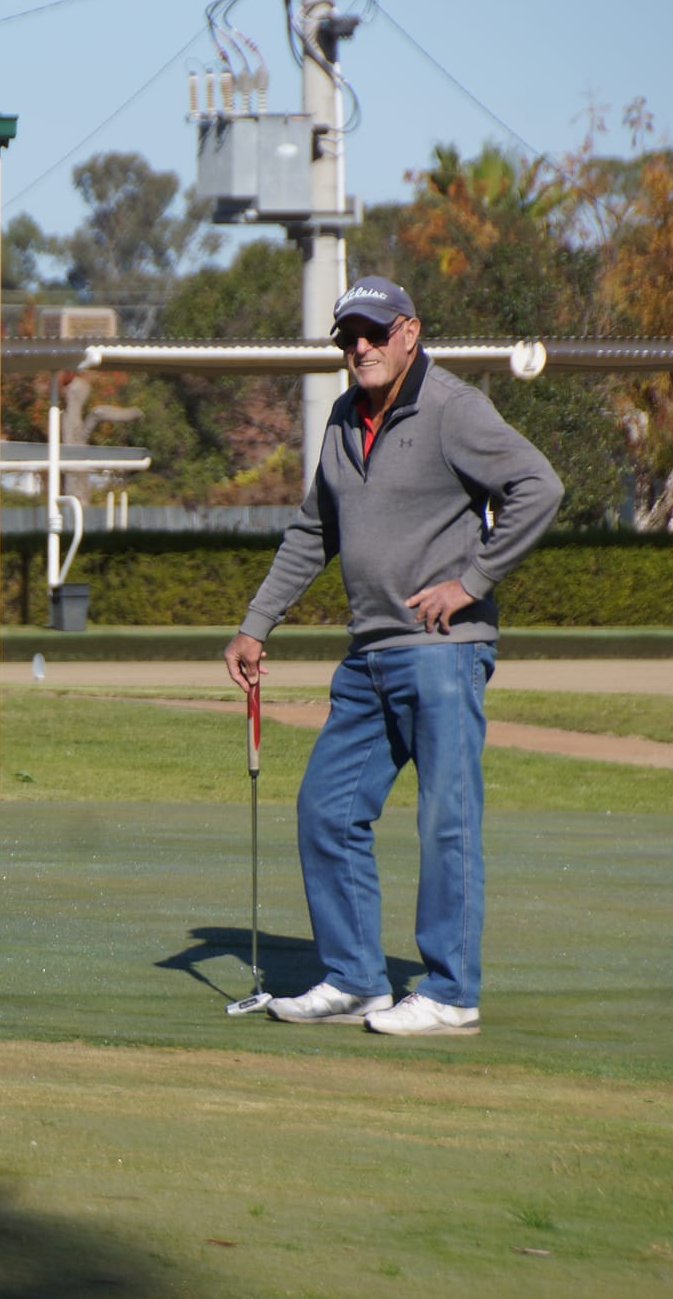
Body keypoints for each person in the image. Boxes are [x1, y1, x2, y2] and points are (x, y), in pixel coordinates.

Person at [223, 275, 563, 1037]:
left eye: (374, 332)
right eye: (349, 336)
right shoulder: (344, 418)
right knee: (327, 808)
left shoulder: (452, 408)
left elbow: (539, 486)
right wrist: (256, 624)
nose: (361, 347)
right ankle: (354, 979)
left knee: (446, 819)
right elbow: (314, 530)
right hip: (367, 656)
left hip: (444, 654)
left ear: (410, 331)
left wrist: (471, 582)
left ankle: (450, 993)